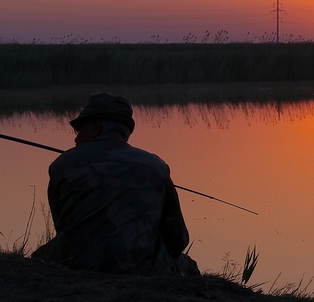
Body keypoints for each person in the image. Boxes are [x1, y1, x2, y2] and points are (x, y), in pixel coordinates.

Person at [32, 92, 198, 275]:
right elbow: (178, 240)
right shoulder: (156, 167)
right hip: (142, 269)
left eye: (79, 130)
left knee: (39, 258)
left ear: (95, 128)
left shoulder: (62, 165)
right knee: (187, 266)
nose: (76, 139)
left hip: (76, 264)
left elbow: (62, 225)